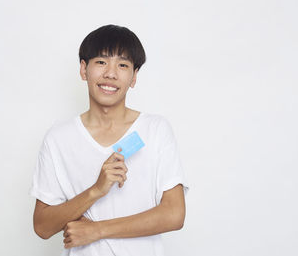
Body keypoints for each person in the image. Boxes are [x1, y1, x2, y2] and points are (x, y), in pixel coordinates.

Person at [30, 24, 189, 256]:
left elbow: (174, 215)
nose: (111, 74)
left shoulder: (155, 130)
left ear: (134, 77)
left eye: (123, 65)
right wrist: (96, 190)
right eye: (101, 62)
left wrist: (98, 230)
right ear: (84, 69)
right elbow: (42, 226)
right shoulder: (59, 137)